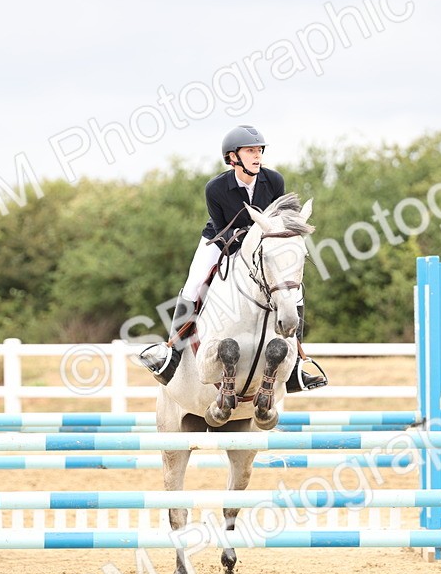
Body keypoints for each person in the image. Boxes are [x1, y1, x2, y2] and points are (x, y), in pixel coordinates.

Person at [137, 125, 328, 392]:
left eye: (259, 150)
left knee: (293, 293)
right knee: (194, 284)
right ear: (233, 157)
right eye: (250, 151)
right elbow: (221, 228)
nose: (257, 155)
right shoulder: (215, 188)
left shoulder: (274, 181)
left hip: (264, 245)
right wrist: (248, 241)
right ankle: (172, 353)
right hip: (221, 240)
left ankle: (296, 367)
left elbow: (281, 220)